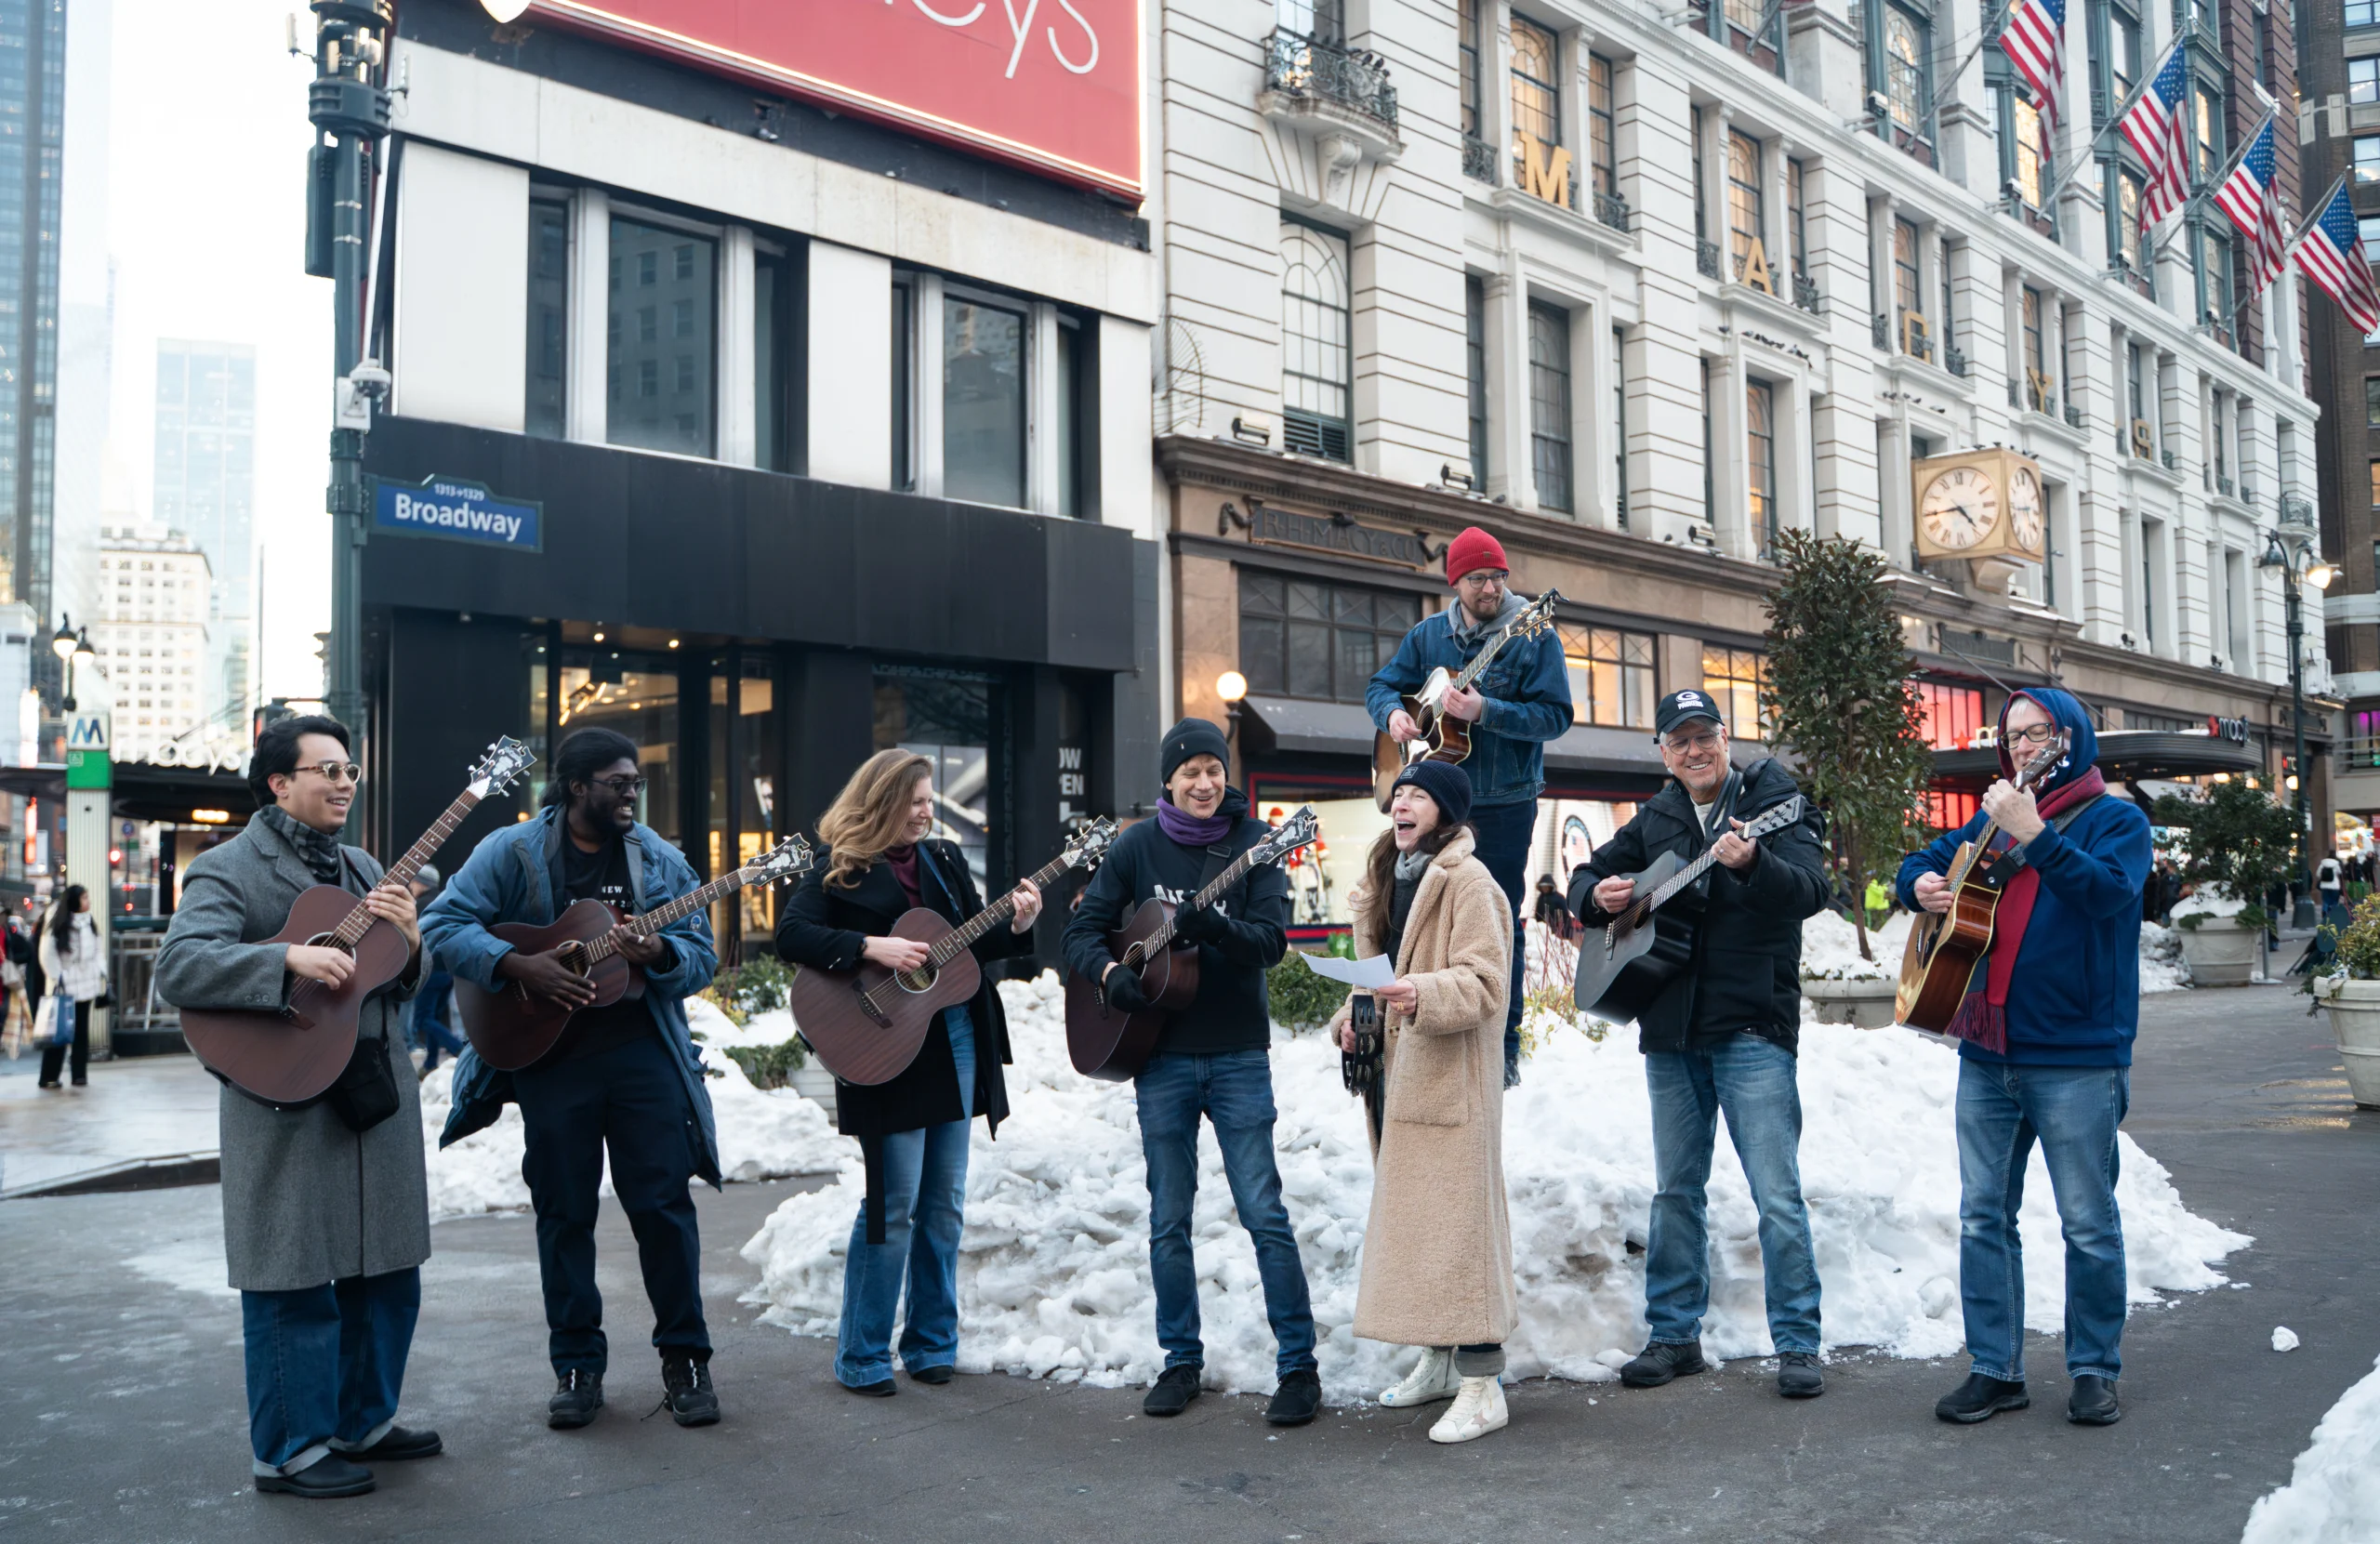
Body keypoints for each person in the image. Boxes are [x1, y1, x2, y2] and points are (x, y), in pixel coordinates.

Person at [154, 715, 437, 1499]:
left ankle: (364, 1421)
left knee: (387, 1268)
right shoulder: (229, 867)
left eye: (350, 769)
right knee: (295, 1279)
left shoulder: (364, 865)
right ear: (280, 782)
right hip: (284, 1093)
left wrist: (413, 947)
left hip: (372, 1091)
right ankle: (289, 1449)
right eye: (328, 769)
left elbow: (394, 975)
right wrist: (284, 958)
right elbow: (180, 965)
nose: (346, 782)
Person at [423, 728, 724, 1432]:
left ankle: (686, 1358)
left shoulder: (658, 858)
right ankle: (577, 1365)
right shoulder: (514, 851)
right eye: (619, 781)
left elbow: (701, 955)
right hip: (550, 1058)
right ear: (577, 785)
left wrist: (660, 951)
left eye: (637, 782)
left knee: (663, 1208)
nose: (631, 794)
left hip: (643, 1055)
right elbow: (443, 921)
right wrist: (514, 963)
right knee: (564, 1214)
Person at [1567, 688, 1832, 1400]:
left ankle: (1799, 1343)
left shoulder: (1774, 799)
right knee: (1675, 1194)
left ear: (1725, 737)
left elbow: (1811, 888)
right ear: (1663, 753)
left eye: (1705, 735)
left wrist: (1751, 865)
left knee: (1776, 1194)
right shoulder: (1656, 816)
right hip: (1671, 1031)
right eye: (1679, 740)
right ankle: (1675, 1334)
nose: (1695, 750)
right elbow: (1583, 877)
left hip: (1752, 1027)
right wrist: (1600, 897)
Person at [1899, 688, 2152, 1429]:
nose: (2022, 746)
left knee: (2087, 1221)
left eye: (2038, 732)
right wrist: (1916, 883)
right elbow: (1922, 858)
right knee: (1983, 1215)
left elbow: (2108, 896)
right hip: (1986, 1049)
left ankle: (2093, 1369)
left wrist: (2036, 834)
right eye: (2011, 735)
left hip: (2076, 1055)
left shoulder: (2118, 819)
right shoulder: (1991, 818)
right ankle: (1994, 1368)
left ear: (2070, 736)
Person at [1061, 718, 1319, 1426]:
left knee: (1264, 1212)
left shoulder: (1258, 847)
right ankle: (1181, 1359)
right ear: (1169, 781)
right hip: (1160, 1056)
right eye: (1191, 771)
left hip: (1237, 1054)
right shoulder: (1136, 846)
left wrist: (1216, 929)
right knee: (1168, 1217)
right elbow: (1080, 930)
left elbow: (1270, 944)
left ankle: (1299, 1367)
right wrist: (1111, 972)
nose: (1205, 782)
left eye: (1215, 769)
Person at [774, 750, 1042, 1396]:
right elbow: (793, 934)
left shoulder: (945, 860)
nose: (927, 811)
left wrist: (1019, 927)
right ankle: (862, 1353)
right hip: (882, 1042)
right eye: (916, 801)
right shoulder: (838, 863)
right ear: (882, 801)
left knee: (944, 1204)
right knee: (891, 1205)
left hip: (951, 1035)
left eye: (929, 800)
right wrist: (870, 946)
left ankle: (931, 1343)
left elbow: (966, 949)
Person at [1329, 760, 1516, 1445]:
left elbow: (1486, 983)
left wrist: (1422, 994)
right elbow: (1373, 978)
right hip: (1398, 1077)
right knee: (1422, 1228)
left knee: (1461, 1229)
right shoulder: (1387, 876)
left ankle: (1482, 1383)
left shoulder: (1470, 882)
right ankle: (1439, 1365)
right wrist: (1352, 1018)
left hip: (1450, 1081)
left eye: (1418, 795)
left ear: (1446, 811)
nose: (1401, 803)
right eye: (1398, 793)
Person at [1368, 526, 1571, 1087]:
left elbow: (1556, 716)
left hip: (1504, 802)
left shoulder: (1533, 633)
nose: (1489, 587)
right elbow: (1381, 686)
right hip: (1439, 802)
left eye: (1498, 577)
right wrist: (1393, 715)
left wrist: (1487, 710)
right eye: (1477, 578)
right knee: (1417, 910)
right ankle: (1419, 1020)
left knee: (1498, 915)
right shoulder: (1428, 636)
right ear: (1455, 581)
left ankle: (1500, 1046)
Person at [35, 885, 105, 1089]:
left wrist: (101, 970)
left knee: (81, 1033)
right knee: (58, 1033)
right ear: (74, 901)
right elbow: (46, 953)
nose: (88, 901)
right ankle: (48, 1077)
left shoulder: (88, 921)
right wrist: (58, 978)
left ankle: (79, 1075)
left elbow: (98, 948)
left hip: (86, 985)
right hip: (65, 987)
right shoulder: (58, 921)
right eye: (84, 897)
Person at [405, 864, 465, 1076]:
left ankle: (459, 1048)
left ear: (421, 883)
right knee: (435, 1017)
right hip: (448, 969)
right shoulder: (445, 899)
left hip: (429, 969)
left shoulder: (420, 905)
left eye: (413, 881)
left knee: (422, 1019)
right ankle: (430, 1063)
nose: (410, 885)